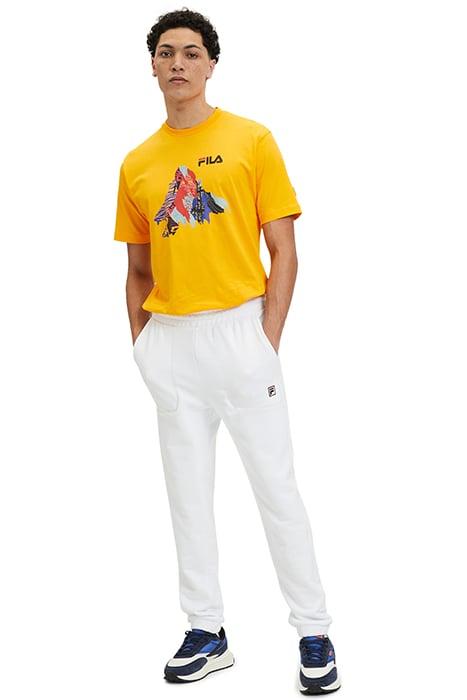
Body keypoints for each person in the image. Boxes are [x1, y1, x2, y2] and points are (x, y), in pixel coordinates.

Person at [113, 7, 341, 695]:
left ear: (211, 64)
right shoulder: (137, 163)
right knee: (187, 497)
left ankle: (313, 631)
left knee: (276, 489)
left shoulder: (251, 140)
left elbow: (284, 249)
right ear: (152, 67)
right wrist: (144, 348)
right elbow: (137, 269)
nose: (177, 63)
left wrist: (265, 340)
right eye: (165, 52)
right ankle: (206, 630)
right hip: (171, 345)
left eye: (191, 52)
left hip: (242, 335)